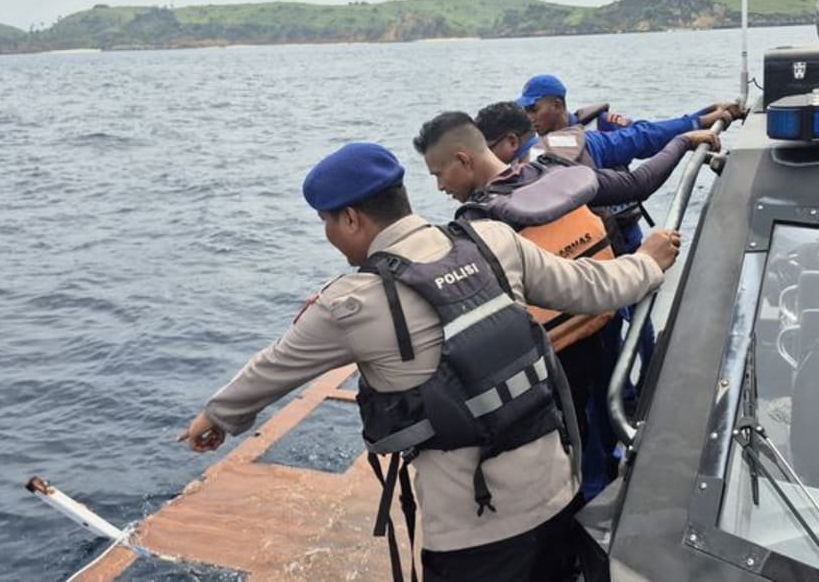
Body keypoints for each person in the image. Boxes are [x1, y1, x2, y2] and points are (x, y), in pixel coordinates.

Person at [178, 142, 682, 581]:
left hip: (475, 534)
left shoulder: (351, 302)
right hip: (558, 493)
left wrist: (217, 416)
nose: (328, 234)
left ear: (350, 218)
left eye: (327, 222)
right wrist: (647, 261)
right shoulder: (492, 240)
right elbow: (593, 285)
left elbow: (274, 366)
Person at [415, 110, 717, 499]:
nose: (440, 186)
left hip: (556, 362)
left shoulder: (478, 225)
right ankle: (613, 481)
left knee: (575, 444)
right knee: (608, 414)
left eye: (439, 174)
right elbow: (637, 183)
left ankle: (586, 505)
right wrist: (682, 142)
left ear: (463, 159)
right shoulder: (555, 172)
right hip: (606, 324)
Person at [514, 73, 742, 168]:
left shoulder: (600, 125)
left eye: (534, 109)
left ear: (557, 105)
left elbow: (647, 135)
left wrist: (701, 118)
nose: (530, 118)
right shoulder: (533, 152)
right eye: (525, 111)